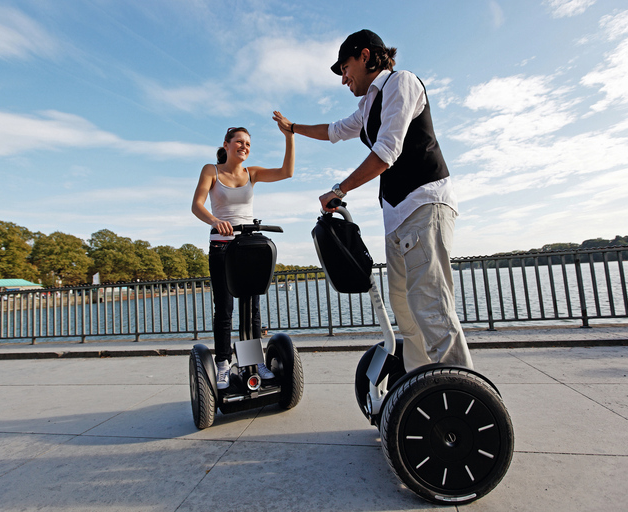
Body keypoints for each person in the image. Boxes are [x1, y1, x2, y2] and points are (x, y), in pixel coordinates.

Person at [274, 30, 472, 372]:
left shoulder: (401, 83)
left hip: (424, 204)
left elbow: (386, 152)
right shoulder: (367, 107)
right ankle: (421, 388)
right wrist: (293, 128)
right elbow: (333, 131)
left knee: (431, 308)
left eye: (345, 67)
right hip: (396, 216)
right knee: (406, 313)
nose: (343, 79)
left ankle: (461, 393)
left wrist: (339, 189)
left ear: (365, 56)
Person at [192, 113, 295, 389]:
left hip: (249, 246)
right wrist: (216, 220)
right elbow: (197, 206)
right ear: (226, 145)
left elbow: (287, 172)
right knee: (224, 308)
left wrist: (289, 136)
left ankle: (253, 360)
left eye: (248, 143)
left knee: (252, 309)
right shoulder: (210, 170)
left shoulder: (253, 173)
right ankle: (224, 363)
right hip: (222, 246)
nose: (244, 146)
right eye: (239, 141)